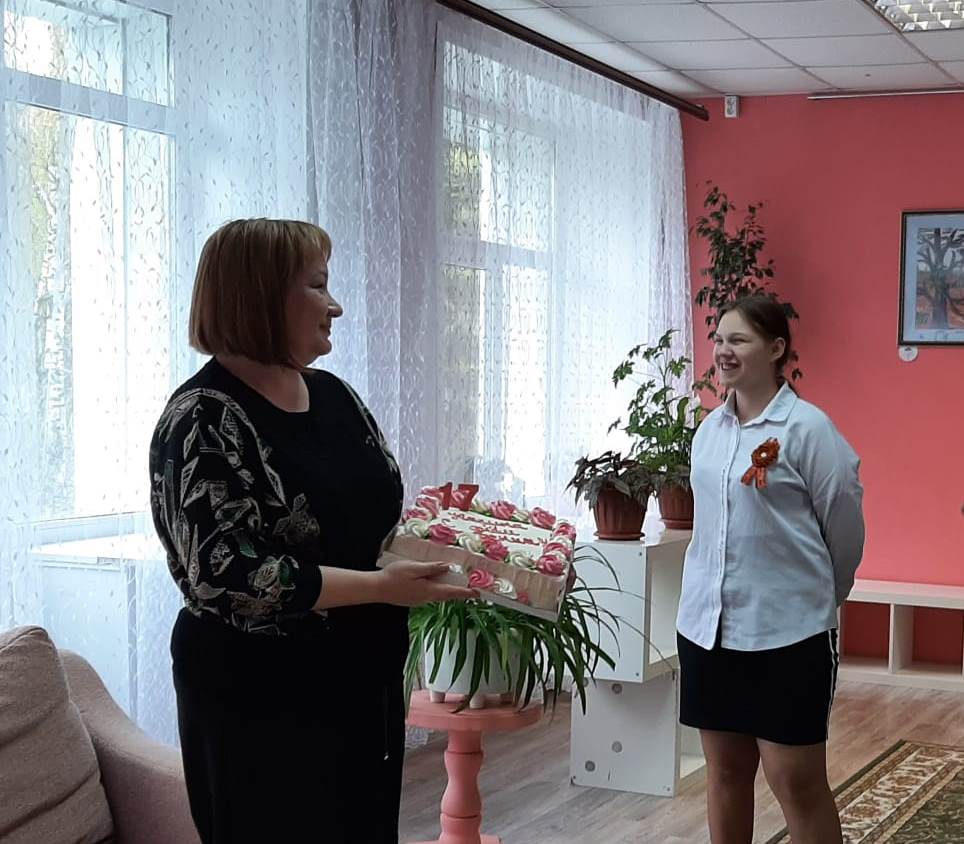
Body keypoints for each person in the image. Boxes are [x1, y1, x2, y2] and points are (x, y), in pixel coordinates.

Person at [149, 218, 475, 844]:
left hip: (362, 685)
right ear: (260, 296)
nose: (336, 305)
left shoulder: (335, 397)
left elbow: (375, 517)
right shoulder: (200, 419)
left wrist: (448, 542)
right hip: (258, 699)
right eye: (318, 286)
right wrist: (380, 588)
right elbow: (228, 575)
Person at [676, 294, 864, 844]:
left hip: (789, 634)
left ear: (776, 348)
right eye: (719, 339)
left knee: (796, 782)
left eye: (739, 340)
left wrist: (823, 594)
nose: (723, 351)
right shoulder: (709, 431)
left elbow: (844, 524)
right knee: (725, 774)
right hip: (709, 632)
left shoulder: (809, 429)